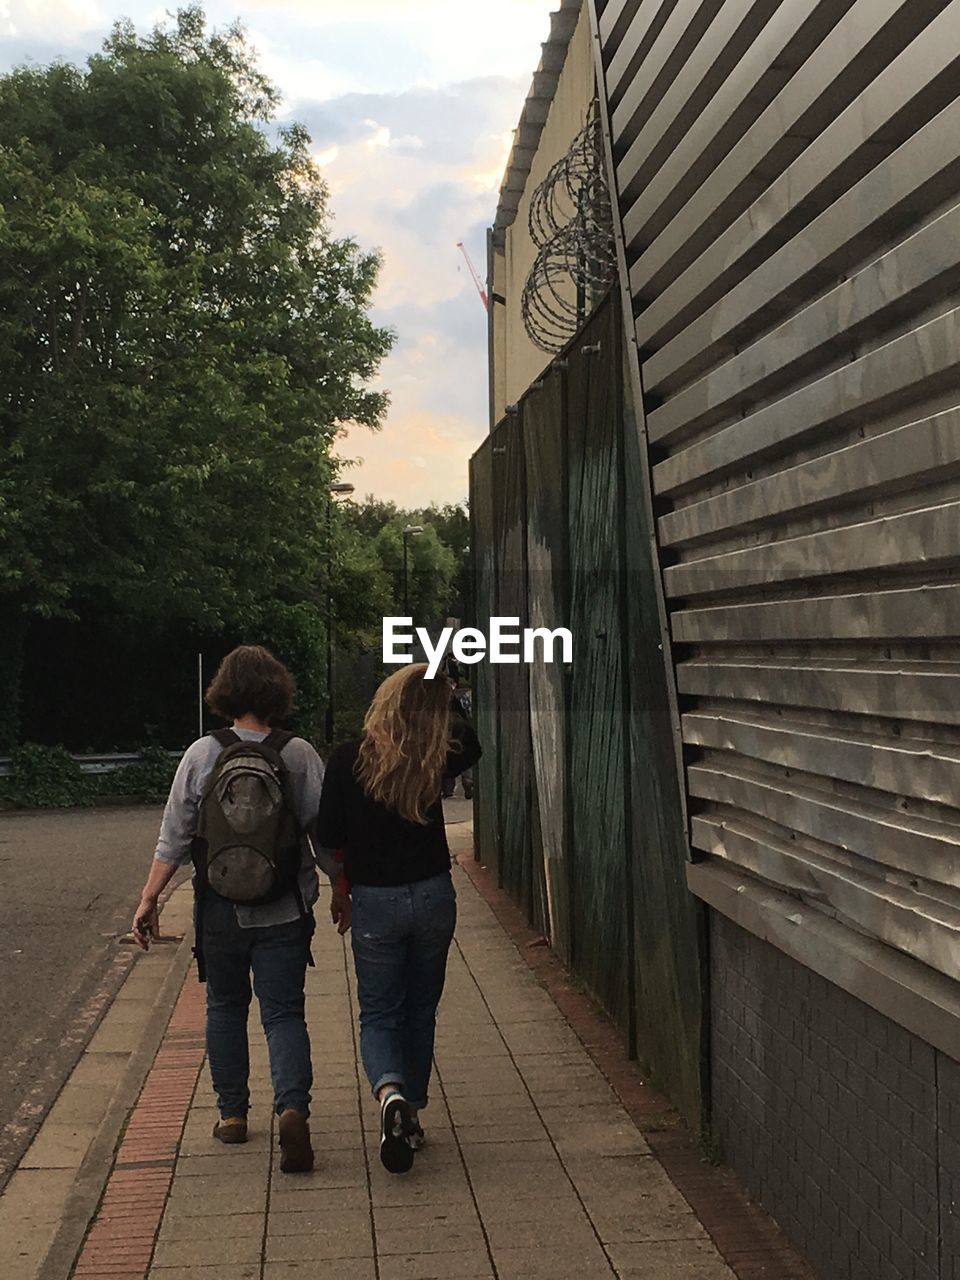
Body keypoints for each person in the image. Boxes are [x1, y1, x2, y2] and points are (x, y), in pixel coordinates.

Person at [131, 645, 339, 1174]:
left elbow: (173, 838)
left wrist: (149, 898)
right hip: (285, 909)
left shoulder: (203, 753)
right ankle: (292, 1107)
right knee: (284, 1013)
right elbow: (324, 836)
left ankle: (232, 1116)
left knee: (225, 1008)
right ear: (278, 692)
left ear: (224, 692)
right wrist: (343, 886)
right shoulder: (299, 754)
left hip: (219, 910)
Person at [316, 663, 481, 1174]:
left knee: (379, 1011)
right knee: (420, 1009)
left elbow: (327, 837)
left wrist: (340, 890)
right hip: (433, 896)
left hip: (374, 903)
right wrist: (444, 695)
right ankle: (412, 1110)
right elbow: (472, 742)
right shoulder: (436, 759)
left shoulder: (347, 760)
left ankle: (390, 1093)